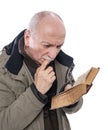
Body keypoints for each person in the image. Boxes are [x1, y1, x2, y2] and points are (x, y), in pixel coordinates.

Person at [0, 11, 83, 130]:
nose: (53, 55)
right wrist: (36, 92)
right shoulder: (4, 69)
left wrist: (72, 100)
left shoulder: (62, 63)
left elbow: (72, 108)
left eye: (59, 46)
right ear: (28, 38)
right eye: (46, 45)